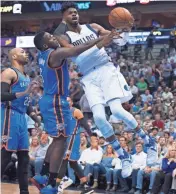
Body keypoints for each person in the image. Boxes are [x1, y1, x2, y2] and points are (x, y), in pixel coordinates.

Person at [53, 1, 142, 178]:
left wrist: (126, 29)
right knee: (100, 118)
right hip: (88, 76)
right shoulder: (64, 37)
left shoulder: (92, 27)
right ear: (64, 17)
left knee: (117, 110)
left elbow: (120, 41)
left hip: (105, 68)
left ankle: (144, 143)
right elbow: (77, 56)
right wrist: (101, 42)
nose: (74, 15)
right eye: (70, 13)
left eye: (75, 12)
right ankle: (123, 156)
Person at [31, 31, 116, 193]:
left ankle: (42, 175)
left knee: (57, 140)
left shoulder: (44, 55)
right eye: (50, 37)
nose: (54, 38)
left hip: (49, 99)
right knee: (61, 141)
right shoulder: (55, 53)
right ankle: (50, 184)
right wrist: (101, 39)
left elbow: (69, 46)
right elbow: (77, 50)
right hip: (56, 101)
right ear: (44, 45)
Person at [1, 48, 41, 194]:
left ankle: (24, 191)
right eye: (22, 52)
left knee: (24, 158)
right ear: (14, 56)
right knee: (5, 155)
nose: (26, 54)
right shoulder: (9, 73)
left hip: (22, 118)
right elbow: (1, 95)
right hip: (9, 115)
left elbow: (26, 101)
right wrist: (24, 92)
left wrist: (36, 118)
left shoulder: (26, 77)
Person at [57, 97, 93, 194]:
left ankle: (56, 186)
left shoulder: (75, 111)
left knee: (63, 161)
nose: (66, 102)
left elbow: (85, 124)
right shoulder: (61, 112)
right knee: (73, 163)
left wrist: (92, 136)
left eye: (68, 100)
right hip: (64, 138)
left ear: (72, 103)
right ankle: (86, 186)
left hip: (72, 138)